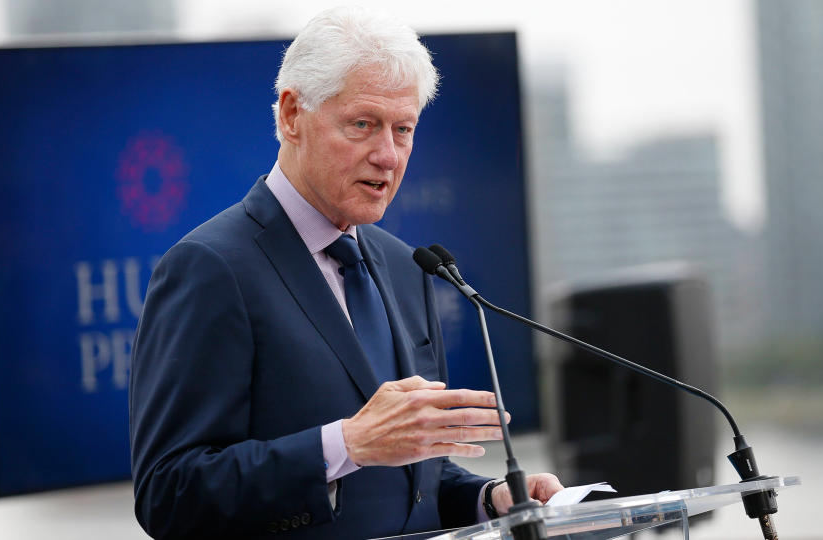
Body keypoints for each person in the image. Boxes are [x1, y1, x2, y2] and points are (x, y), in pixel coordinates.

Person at [129, 6, 562, 539]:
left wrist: (489, 499)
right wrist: (345, 444)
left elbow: (413, 478)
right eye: (363, 124)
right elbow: (168, 494)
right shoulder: (211, 268)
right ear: (291, 115)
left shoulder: (410, 268)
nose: (387, 155)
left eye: (403, 130)